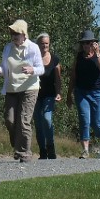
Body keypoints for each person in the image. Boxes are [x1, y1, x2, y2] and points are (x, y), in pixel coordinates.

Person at [0, 19, 44, 162]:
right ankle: (17, 147)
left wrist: (33, 70)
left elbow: (41, 69)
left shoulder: (33, 48)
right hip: (12, 88)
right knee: (10, 120)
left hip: (29, 88)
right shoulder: (8, 48)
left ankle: (25, 152)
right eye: (12, 33)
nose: (13, 36)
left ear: (24, 34)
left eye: (16, 33)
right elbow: (4, 68)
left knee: (24, 120)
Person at [67, 29, 100, 159]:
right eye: (84, 43)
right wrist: (69, 94)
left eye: (90, 43)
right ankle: (85, 150)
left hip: (97, 92)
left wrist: (96, 55)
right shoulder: (79, 57)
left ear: (95, 43)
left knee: (96, 122)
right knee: (84, 120)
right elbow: (73, 76)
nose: (87, 46)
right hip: (81, 92)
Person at [33, 32, 62, 160]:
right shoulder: (33, 59)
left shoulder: (55, 59)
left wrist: (58, 93)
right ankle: (42, 150)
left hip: (49, 95)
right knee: (38, 123)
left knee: (47, 118)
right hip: (34, 95)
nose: (44, 46)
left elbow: (58, 78)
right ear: (37, 44)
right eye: (42, 43)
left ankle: (51, 146)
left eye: (46, 43)